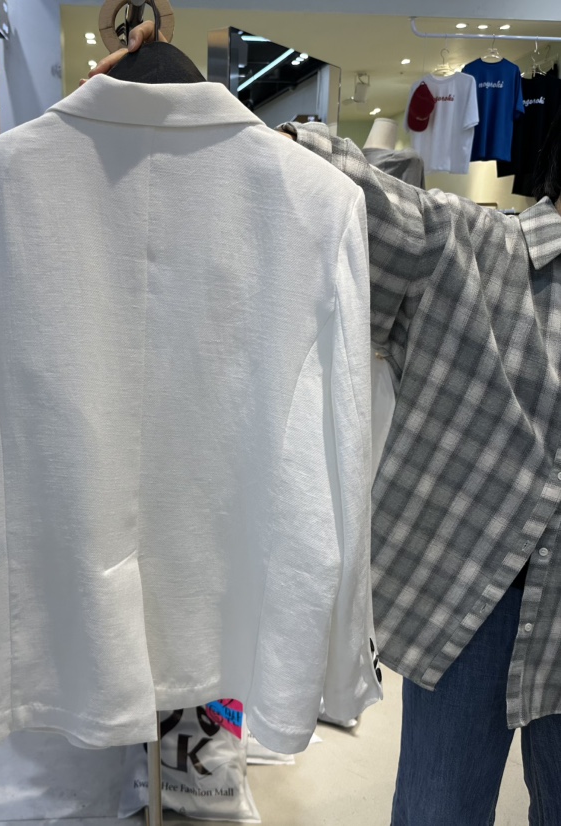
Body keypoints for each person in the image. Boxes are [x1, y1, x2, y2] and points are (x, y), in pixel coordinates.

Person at [90, 22, 561, 826]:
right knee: (439, 809)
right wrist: (176, 94)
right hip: (469, 598)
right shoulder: (483, 252)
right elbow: (341, 186)